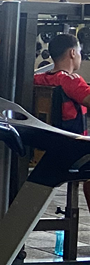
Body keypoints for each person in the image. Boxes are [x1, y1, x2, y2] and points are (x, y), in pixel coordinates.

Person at [33, 32, 90, 210]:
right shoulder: (70, 80)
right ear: (73, 53)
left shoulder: (38, 79)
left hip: (45, 147)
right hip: (74, 149)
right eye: (79, 52)